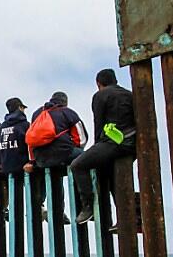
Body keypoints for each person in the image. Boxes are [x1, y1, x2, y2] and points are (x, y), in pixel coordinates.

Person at [70, 69, 136, 224]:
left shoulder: (100, 95)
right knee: (113, 178)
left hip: (113, 144)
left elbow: (98, 124)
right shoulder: (129, 94)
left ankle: (88, 208)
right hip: (131, 145)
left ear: (98, 83)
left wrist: (96, 148)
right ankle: (124, 219)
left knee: (77, 165)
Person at [24, 91, 87, 224]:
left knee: (51, 173)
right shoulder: (67, 112)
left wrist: (33, 160)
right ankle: (85, 205)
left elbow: (31, 139)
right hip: (63, 154)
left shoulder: (37, 114)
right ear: (64, 102)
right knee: (85, 160)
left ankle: (42, 207)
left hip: (41, 158)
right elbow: (81, 138)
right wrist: (74, 149)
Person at [0, 98, 30, 174]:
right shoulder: (25, 125)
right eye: (23, 108)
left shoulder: (1, 128)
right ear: (20, 107)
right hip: (24, 167)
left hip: (7, 169)